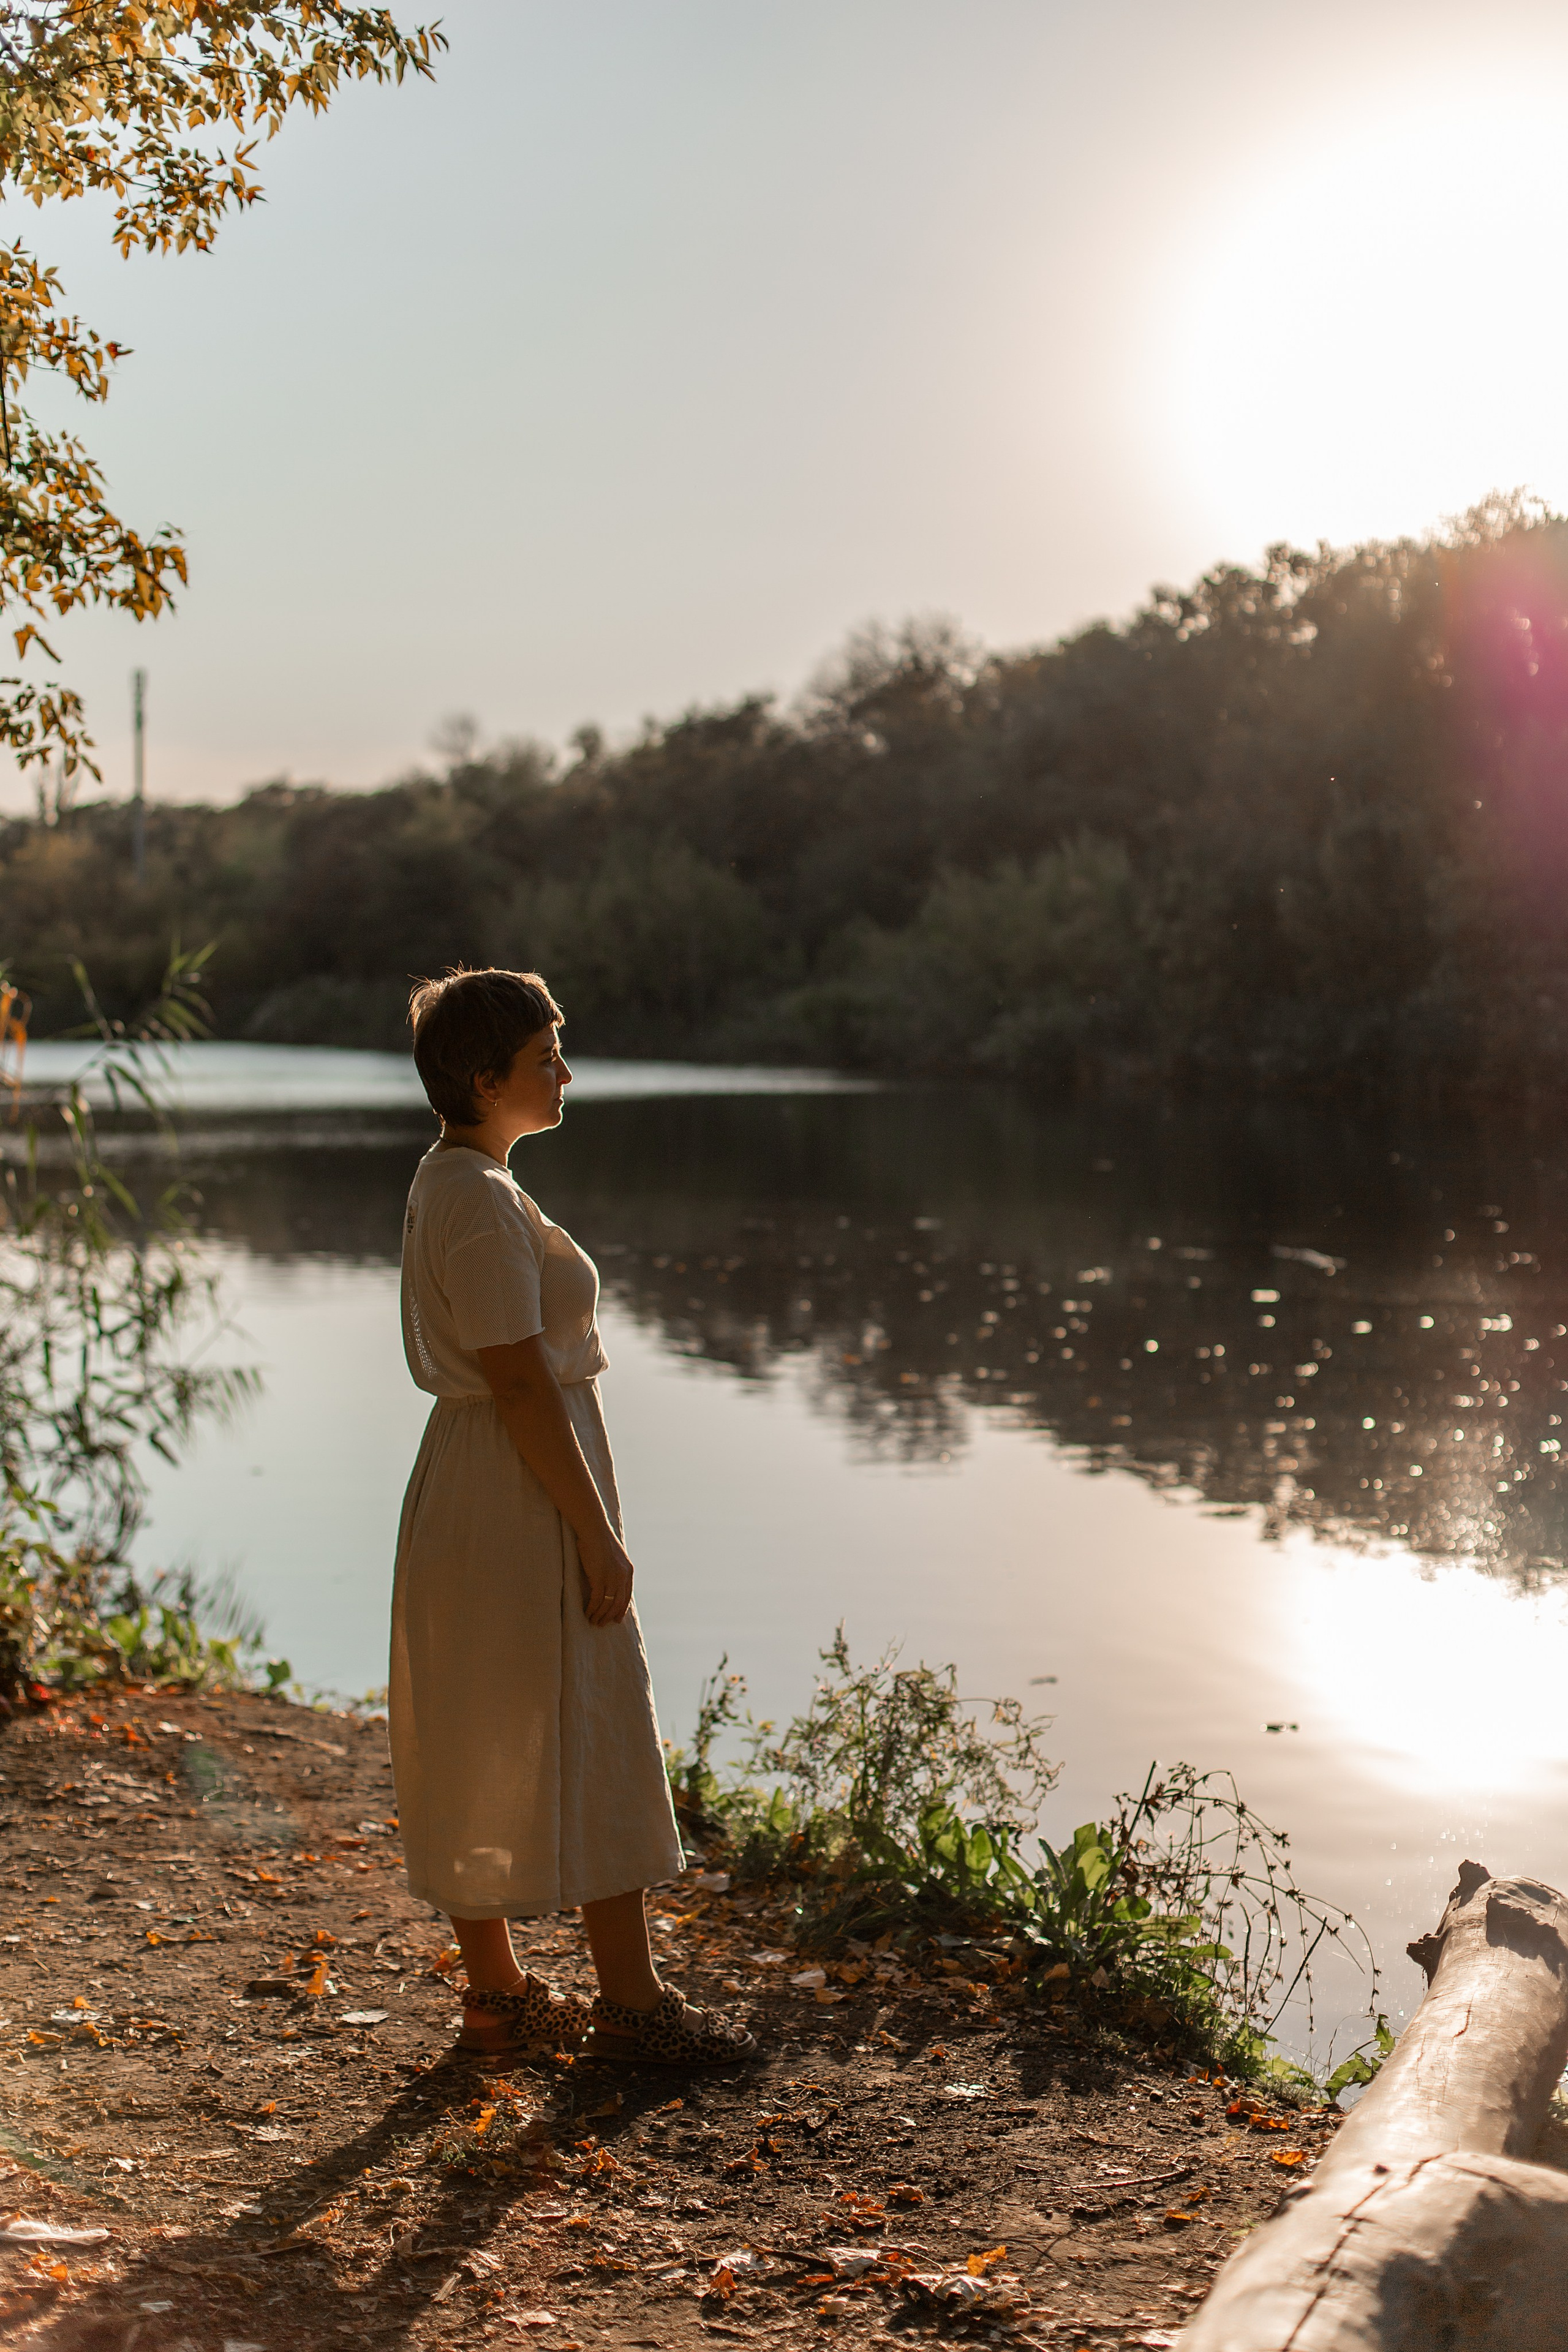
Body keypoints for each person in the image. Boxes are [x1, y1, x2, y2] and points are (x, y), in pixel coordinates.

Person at [389, 966, 755, 2066]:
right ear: (482, 1077)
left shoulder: (461, 1179)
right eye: (545, 1057)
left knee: (480, 1722)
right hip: (518, 1489)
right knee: (592, 1720)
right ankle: (631, 2008)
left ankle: (501, 1996)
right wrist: (596, 1531)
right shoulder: (477, 1198)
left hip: (486, 1481)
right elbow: (516, 1378)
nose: (565, 1073)